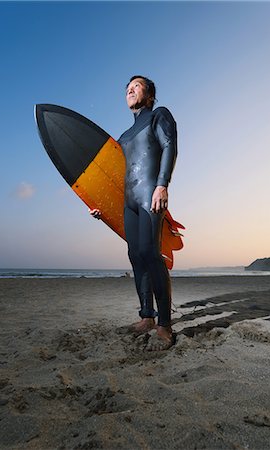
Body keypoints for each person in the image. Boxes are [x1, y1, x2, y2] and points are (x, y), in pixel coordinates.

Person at [90, 75, 178, 350]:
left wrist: (162, 185)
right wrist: (100, 205)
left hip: (150, 193)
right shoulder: (123, 136)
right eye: (127, 87)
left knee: (151, 253)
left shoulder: (159, 115)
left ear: (149, 94)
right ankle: (146, 317)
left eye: (137, 85)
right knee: (135, 254)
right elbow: (113, 176)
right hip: (128, 201)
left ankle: (164, 323)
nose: (130, 89)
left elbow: (169, 147)